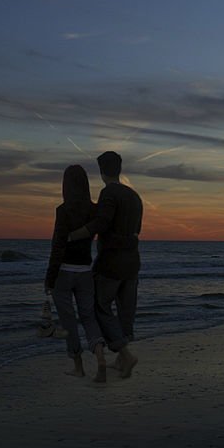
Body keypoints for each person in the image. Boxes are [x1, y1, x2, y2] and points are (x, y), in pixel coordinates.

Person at [69, 151, 141, 378]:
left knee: (100, 307)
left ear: (102, 172)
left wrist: (74, 235)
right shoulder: (134, 196)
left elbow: (102, 222)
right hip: (133, 261)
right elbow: (136, 229)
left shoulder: (109, 192)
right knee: (125, 309)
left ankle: (125, 354)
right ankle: (122, 359)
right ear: (118, 169)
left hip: (112, 261)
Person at [44, 165, 108, 381]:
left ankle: (79, 366)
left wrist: (49, 279)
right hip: (85, 271)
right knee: (89, 317)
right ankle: (100, 358)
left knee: (69, 321)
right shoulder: (94, 210)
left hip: (63, 271)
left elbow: (58, 246)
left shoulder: (63, 211)